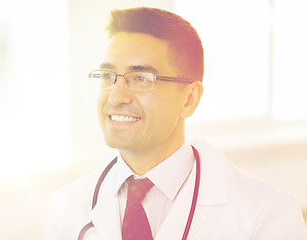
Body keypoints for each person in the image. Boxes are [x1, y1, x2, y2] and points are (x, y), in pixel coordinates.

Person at [43, 7, 307, 240]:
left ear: (189, 100)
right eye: (107, 75)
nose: (116, 96)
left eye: (141, 78)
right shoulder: (64, 209)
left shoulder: (268, 215)